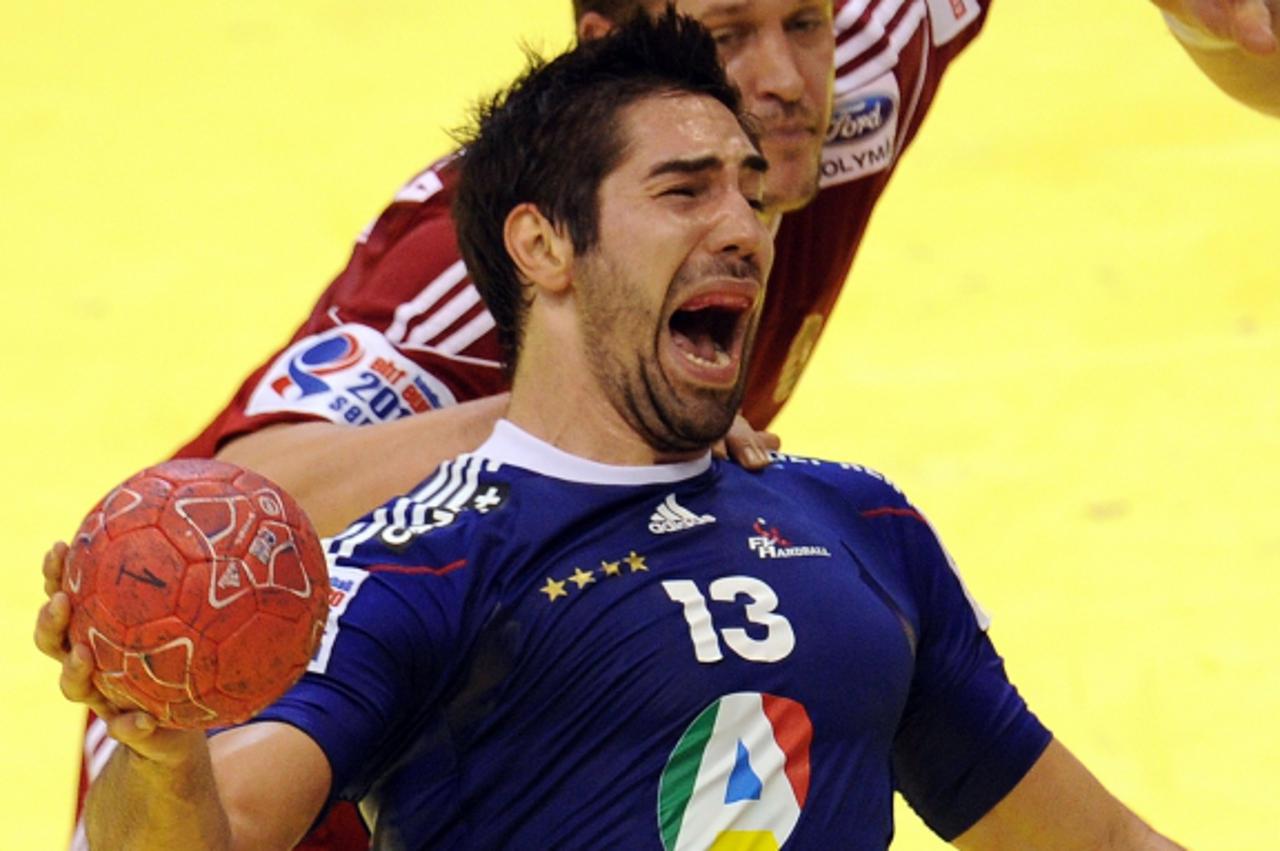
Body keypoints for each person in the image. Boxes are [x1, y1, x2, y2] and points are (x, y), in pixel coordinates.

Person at [63, 0, 1279, 847]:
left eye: (809, 22)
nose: (784, 82)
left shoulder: (854, 520)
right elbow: (227, 504)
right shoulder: (462, 320)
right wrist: (578, 421)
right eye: (727, 33)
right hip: (248, 710)